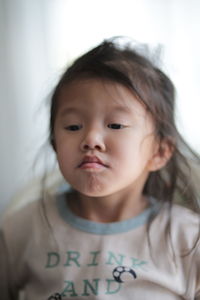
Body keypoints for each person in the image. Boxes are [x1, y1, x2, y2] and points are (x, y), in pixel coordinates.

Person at [0, 37, 200, 300]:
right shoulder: (21, 229)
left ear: (159, 152)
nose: (91, 139)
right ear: (55, 145)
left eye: (116, 125)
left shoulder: (187, 238)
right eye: (73, 126)